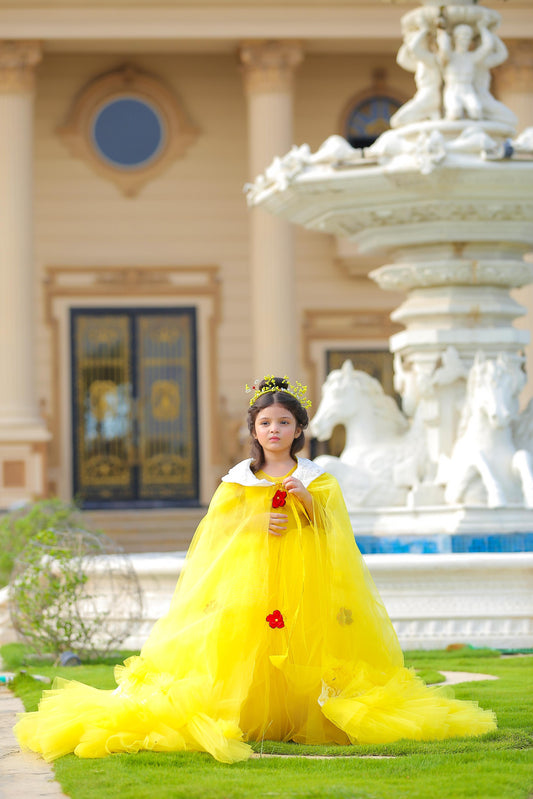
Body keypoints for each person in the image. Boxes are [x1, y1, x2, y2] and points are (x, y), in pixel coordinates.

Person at [15, 376, 496, 764]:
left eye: (284, 422)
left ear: (299, 429)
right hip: (249, 587)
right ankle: (248, 715)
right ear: (254, 429)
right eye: (265, 422)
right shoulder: (237, 482)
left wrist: (309, 505)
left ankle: (304, 717)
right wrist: (251, 519)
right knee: (246, 652)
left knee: (302, 648)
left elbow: (338, 537)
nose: (274, 431)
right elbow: (212, 536)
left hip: (304, 587)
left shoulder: (317, 479)